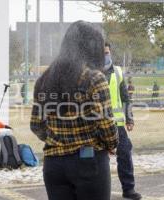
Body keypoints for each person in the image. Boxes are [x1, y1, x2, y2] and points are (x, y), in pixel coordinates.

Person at [30, 21, 118, 200]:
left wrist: (58, 139)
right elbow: (106, 123)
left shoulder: (45, 79)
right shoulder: (94, 78)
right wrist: (111, 144)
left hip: (53, 165)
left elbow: (36, 124)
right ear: (92, 48)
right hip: (88, 162)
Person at [103, 42, 142, 200]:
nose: (106, 55)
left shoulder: (118, 72)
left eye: (107, 52)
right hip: (98, 126)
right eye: (103, 53)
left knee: (125, 155)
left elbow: (125, 98)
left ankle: (129, 189)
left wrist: (129, 118)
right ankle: (99, 192)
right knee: (99, 160)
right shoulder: (91, 72)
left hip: (118, 125)